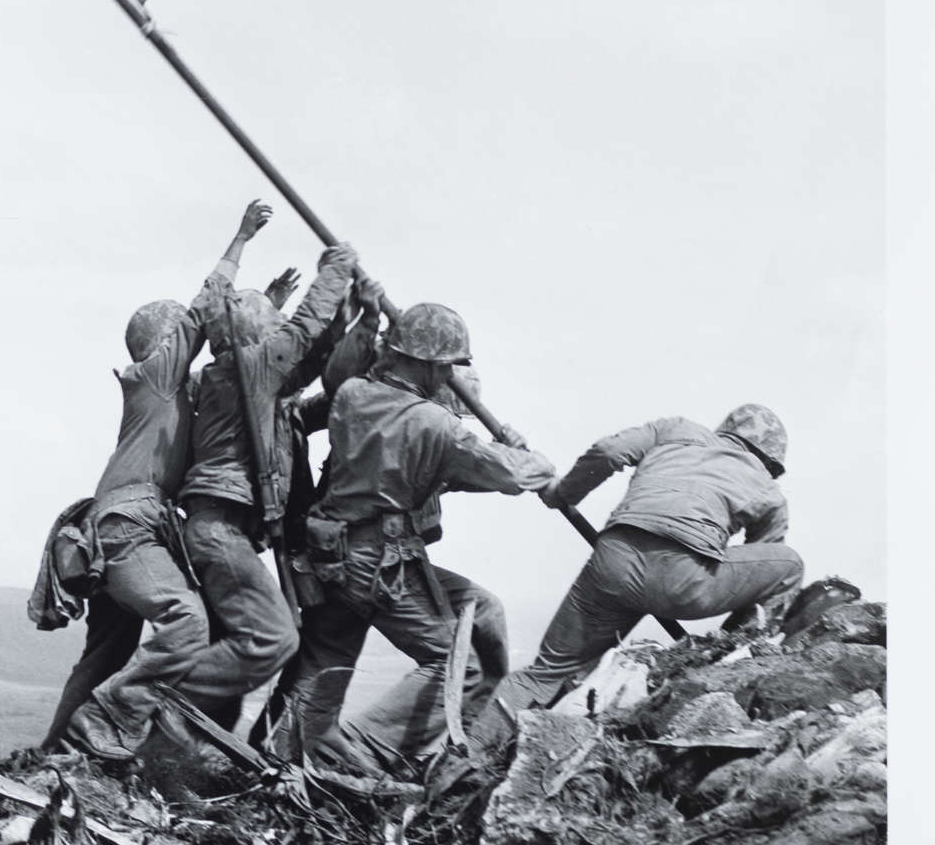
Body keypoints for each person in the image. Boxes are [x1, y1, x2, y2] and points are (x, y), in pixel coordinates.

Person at [274, 301, 556, 770]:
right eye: (445, 366)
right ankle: (362, 751)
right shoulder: (435, 424)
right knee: (460, 666)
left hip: (332, 554)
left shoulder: (353, 395)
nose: (448, 375)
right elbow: (511, 475)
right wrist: (527, 454)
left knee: (329, 660)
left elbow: (423, 466)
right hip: (379, 562)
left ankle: (287, 755)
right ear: (425, 362)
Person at [49, 200, 275, 759]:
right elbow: (204, 311)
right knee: (186, 621)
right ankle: (106, 725)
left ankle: (56, 753)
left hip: (112, 529)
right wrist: (241, 238)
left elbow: (235, 358)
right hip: (129, 528)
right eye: (182, 337)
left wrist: (268, 309)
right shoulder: (154, 376)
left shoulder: (167, 393)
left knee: (105, 652)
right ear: (165, 342)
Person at [465, 404, 804, 758]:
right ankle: (735, 659)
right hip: (684, 583)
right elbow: (762, 567)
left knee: (544, 673)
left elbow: (608, 452)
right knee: (789, 565)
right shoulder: (769, 491)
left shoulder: (676, 429)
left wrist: (563, 494)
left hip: (613, 564)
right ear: (771, 460)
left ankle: (468, 757)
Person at [172, 241, 362, 728]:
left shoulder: (240, 378)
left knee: (233, 656)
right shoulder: (248, 367)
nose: (280, 337)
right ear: (256, 336)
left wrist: (351, 314)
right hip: (220, 530)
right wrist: (335, 270)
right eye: (271, 328)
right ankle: (160, 700)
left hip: (222, 529)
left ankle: (176, 748)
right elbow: (302, 334)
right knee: (274, 639)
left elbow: (312, 359)